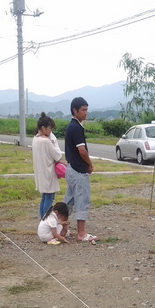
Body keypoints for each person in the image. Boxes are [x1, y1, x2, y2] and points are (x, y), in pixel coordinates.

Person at [64, 97, 98, 243]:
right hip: (78, 170)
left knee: (69, 202)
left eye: (86, 109)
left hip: (71, 168)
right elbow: (82, 151)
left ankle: (60, 228)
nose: (86, 113)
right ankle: (81, 233)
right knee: (82, 201)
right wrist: (89, 164)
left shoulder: (72, 126)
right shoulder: (76, 127)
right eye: (83, 110)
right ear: (75, 111)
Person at [32, 112, 64, 219]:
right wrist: (54, 142)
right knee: (49, 198)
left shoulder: (35, 139)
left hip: (41, 172)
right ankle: (46, 220)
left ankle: (42, 220)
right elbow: (58, 156)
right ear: (43, 128)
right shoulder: (46, 141)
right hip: (48, 173)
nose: (51, 131)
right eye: (50, 128)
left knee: (44, 197)